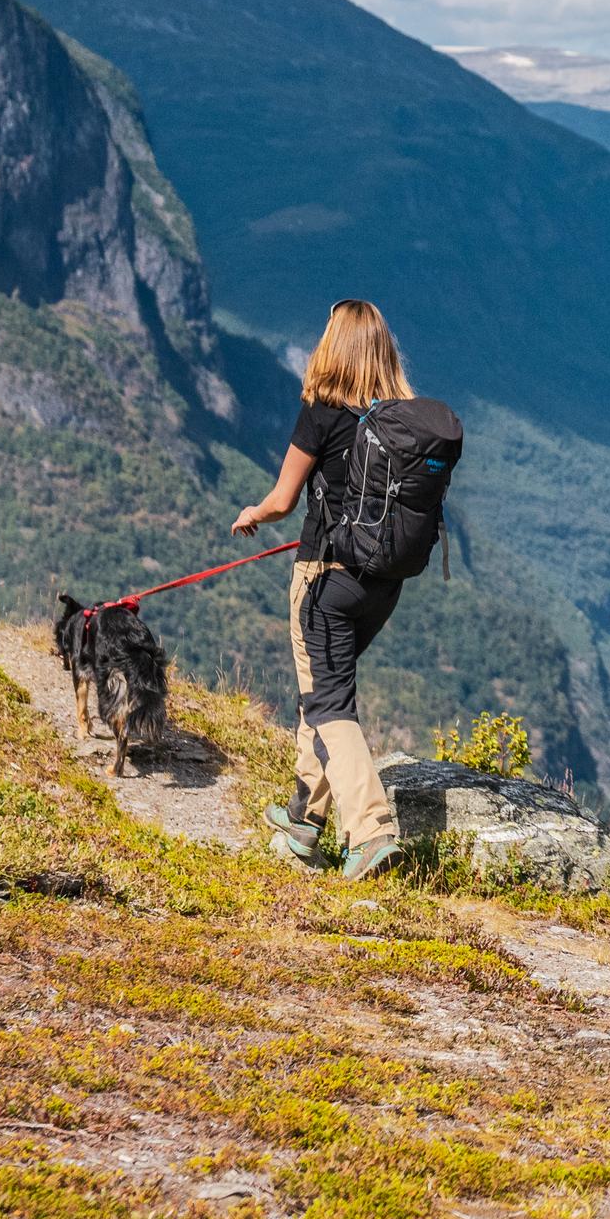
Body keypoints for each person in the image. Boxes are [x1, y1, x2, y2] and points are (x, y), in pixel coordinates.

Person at [233, 299, 416, 881]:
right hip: (383, 584)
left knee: (330, 704)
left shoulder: (322, 410)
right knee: (322, 692)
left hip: (325, 580)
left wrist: (252, 513)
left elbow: (284, 501)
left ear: (332, 345)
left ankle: (370, 831)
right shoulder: (403, 418)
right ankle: (302, 825)